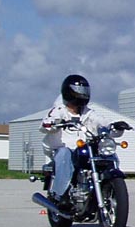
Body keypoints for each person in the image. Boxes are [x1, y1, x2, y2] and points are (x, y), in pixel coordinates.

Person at [39, 74, 111, 208]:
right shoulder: (59, 110)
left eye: (84, 91)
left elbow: (100, 121)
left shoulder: (87, 113)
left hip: (82, 148)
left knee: (105, 154)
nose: (82, 94)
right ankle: (61, 194)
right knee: (64, 153)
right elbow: (46, 123)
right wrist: (53, 123)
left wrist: (113, 125)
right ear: (68, 91)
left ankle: (104, 187)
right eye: (78, 91)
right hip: (61, 147)